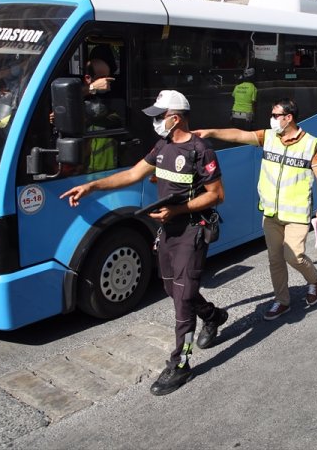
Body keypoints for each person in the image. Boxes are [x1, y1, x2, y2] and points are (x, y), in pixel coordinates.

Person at [60, 90, 227, 396]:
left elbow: (217, 195)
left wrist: (177, 209)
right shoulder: (162, 146)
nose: (155, 122)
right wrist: (92, 185)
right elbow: (134, 174)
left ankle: (181, 364)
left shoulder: (200, 151)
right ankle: (213, 316)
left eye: (159, 116)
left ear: (175, 118)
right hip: (167, 232)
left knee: (182, 300)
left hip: (191, 231)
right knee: (172, 289)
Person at [197, 98, 317, 319]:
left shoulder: (310, 144)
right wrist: (210, 132)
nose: (272, 119)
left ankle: (315, 279)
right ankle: (282, 300)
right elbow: (238, 135)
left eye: (276, 115)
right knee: (275, 259)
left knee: (294, 256)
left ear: (289, 118)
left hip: (296, 213)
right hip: (270, 212)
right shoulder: (268, 137)